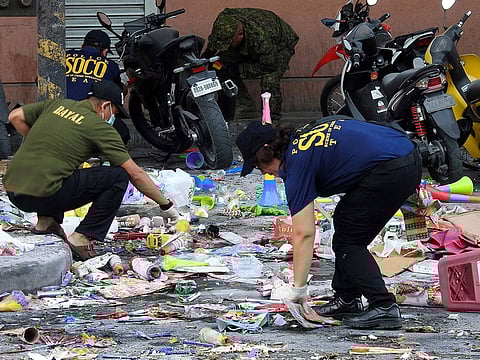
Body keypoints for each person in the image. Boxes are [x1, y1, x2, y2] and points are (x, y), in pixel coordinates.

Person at [236, 117, 422, 329]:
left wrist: (298, 289)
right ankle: (347, 298)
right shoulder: (302, 139)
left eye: (258, 164)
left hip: (392, 168)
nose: (263, 172)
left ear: (268, 150)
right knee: (345, 220)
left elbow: (304, 233)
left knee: (349, 242)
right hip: (406, 154)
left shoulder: (296, 164)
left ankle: (384, 306)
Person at [3, 80, 180, 261]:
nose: (113, 119)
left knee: (59, 170)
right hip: (44, 193)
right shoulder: (100, 127)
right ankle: (82, 237)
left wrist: (40, 143)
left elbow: (15, 116)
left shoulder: (57, 104)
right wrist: (165, 205)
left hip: (13, 190)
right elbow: (135, 173)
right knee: (118, 176)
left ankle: (46, 223)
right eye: (115, 113)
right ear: (105, 106)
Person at [205, 8, 299, 122]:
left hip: (280, 45)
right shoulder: (225, 22)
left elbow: (269, 65)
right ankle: (245, 106)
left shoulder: (262, 40)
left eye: (229, 43)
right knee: (219, 66)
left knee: (269, 79)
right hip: (249, 43)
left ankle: (271, 119)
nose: (227, 46)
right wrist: (206, 57)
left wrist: (239, 69)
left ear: (240, 35)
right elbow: (216, 41)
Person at [66, 29, 130, 145]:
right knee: (122, 133)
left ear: (82, 46)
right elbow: (116, 91)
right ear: (105, 51)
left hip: (58, 116)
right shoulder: (111, 65)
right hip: (89, 121)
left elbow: (38, 81)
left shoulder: (64, 56)